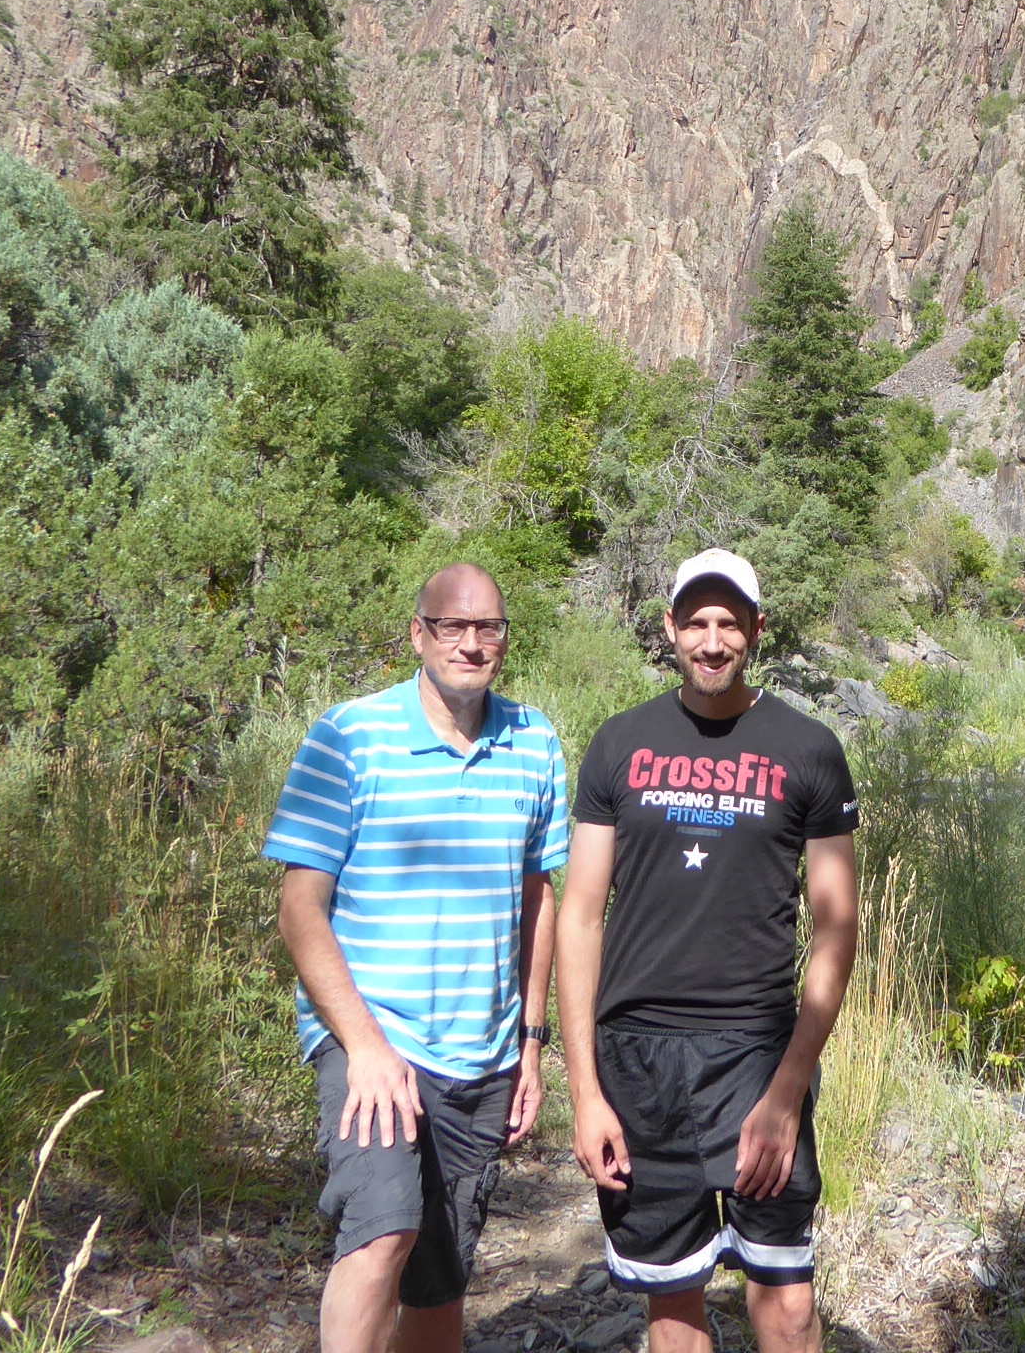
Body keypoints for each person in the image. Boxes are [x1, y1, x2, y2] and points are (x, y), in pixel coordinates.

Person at [557, 548, 859, 1353]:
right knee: (671, 1301)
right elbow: (580, 917)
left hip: (755, 1056)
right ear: (670, 628)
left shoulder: (809, 748)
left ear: (758, 630)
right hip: (638, 1060)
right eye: (696, 622)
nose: (713, 641)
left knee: (787, 1302)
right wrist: (584, 1092)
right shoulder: (620, 743)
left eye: (730, 623)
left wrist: (787, 1091)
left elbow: (837, 926)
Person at [264, 564, 570, 1353]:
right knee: (383, 1228)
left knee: (439, 1278)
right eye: (452, 626)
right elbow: (300, 908)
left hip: (483, 1052)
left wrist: (532, 1042)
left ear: (505, 638)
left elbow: (538, 898)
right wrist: (364, 1045)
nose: (471, 644)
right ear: (418, 634)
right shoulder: (349, 735)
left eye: (488, 627)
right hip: (372, 1037)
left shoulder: (534, 742)